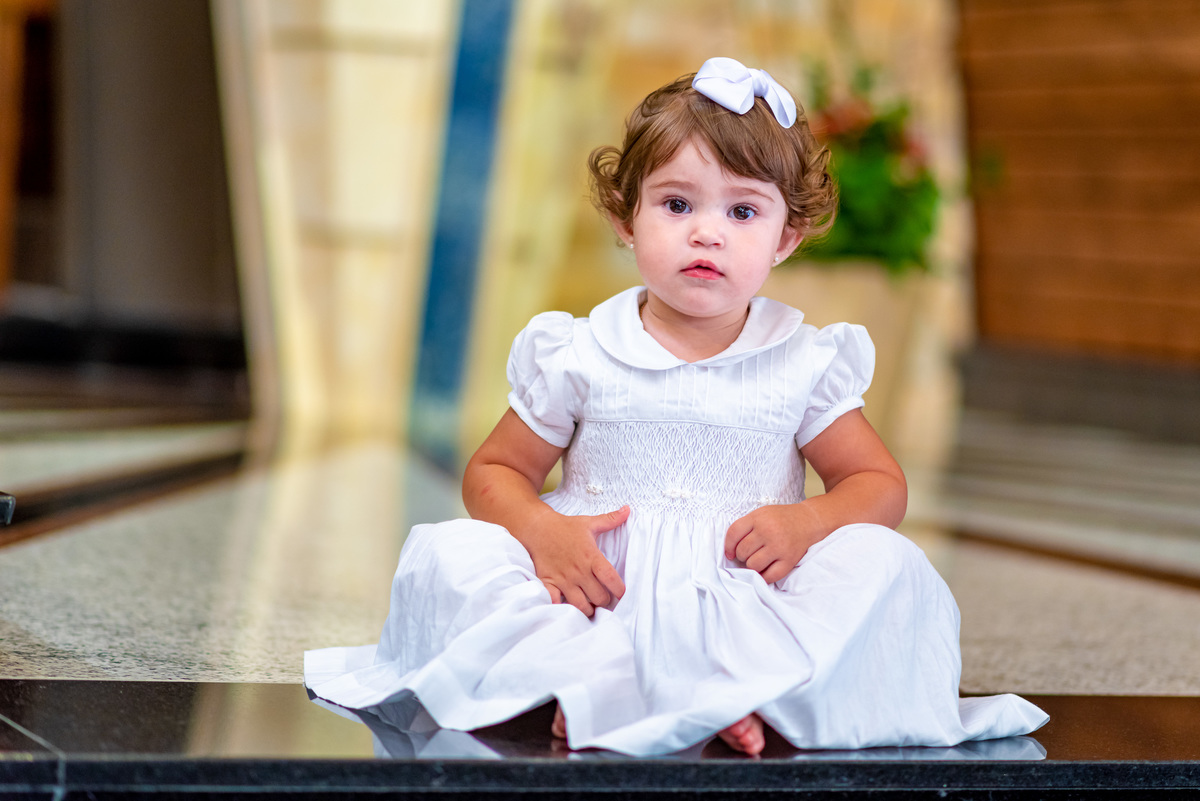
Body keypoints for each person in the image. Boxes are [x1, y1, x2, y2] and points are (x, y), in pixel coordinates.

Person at [305, 57, 1047, 757]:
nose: (707, 231)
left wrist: (806, 520)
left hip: (744, 592)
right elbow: (494, 469)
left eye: (743, 211)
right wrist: (542, 532)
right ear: (628, 219)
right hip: (597, 590)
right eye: (677, 203)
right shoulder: (581, 350)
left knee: (886, 566)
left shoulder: (802, 361)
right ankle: (588, 681)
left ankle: (746, 691)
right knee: (453, 554)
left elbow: (879, 485)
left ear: (787, 237)